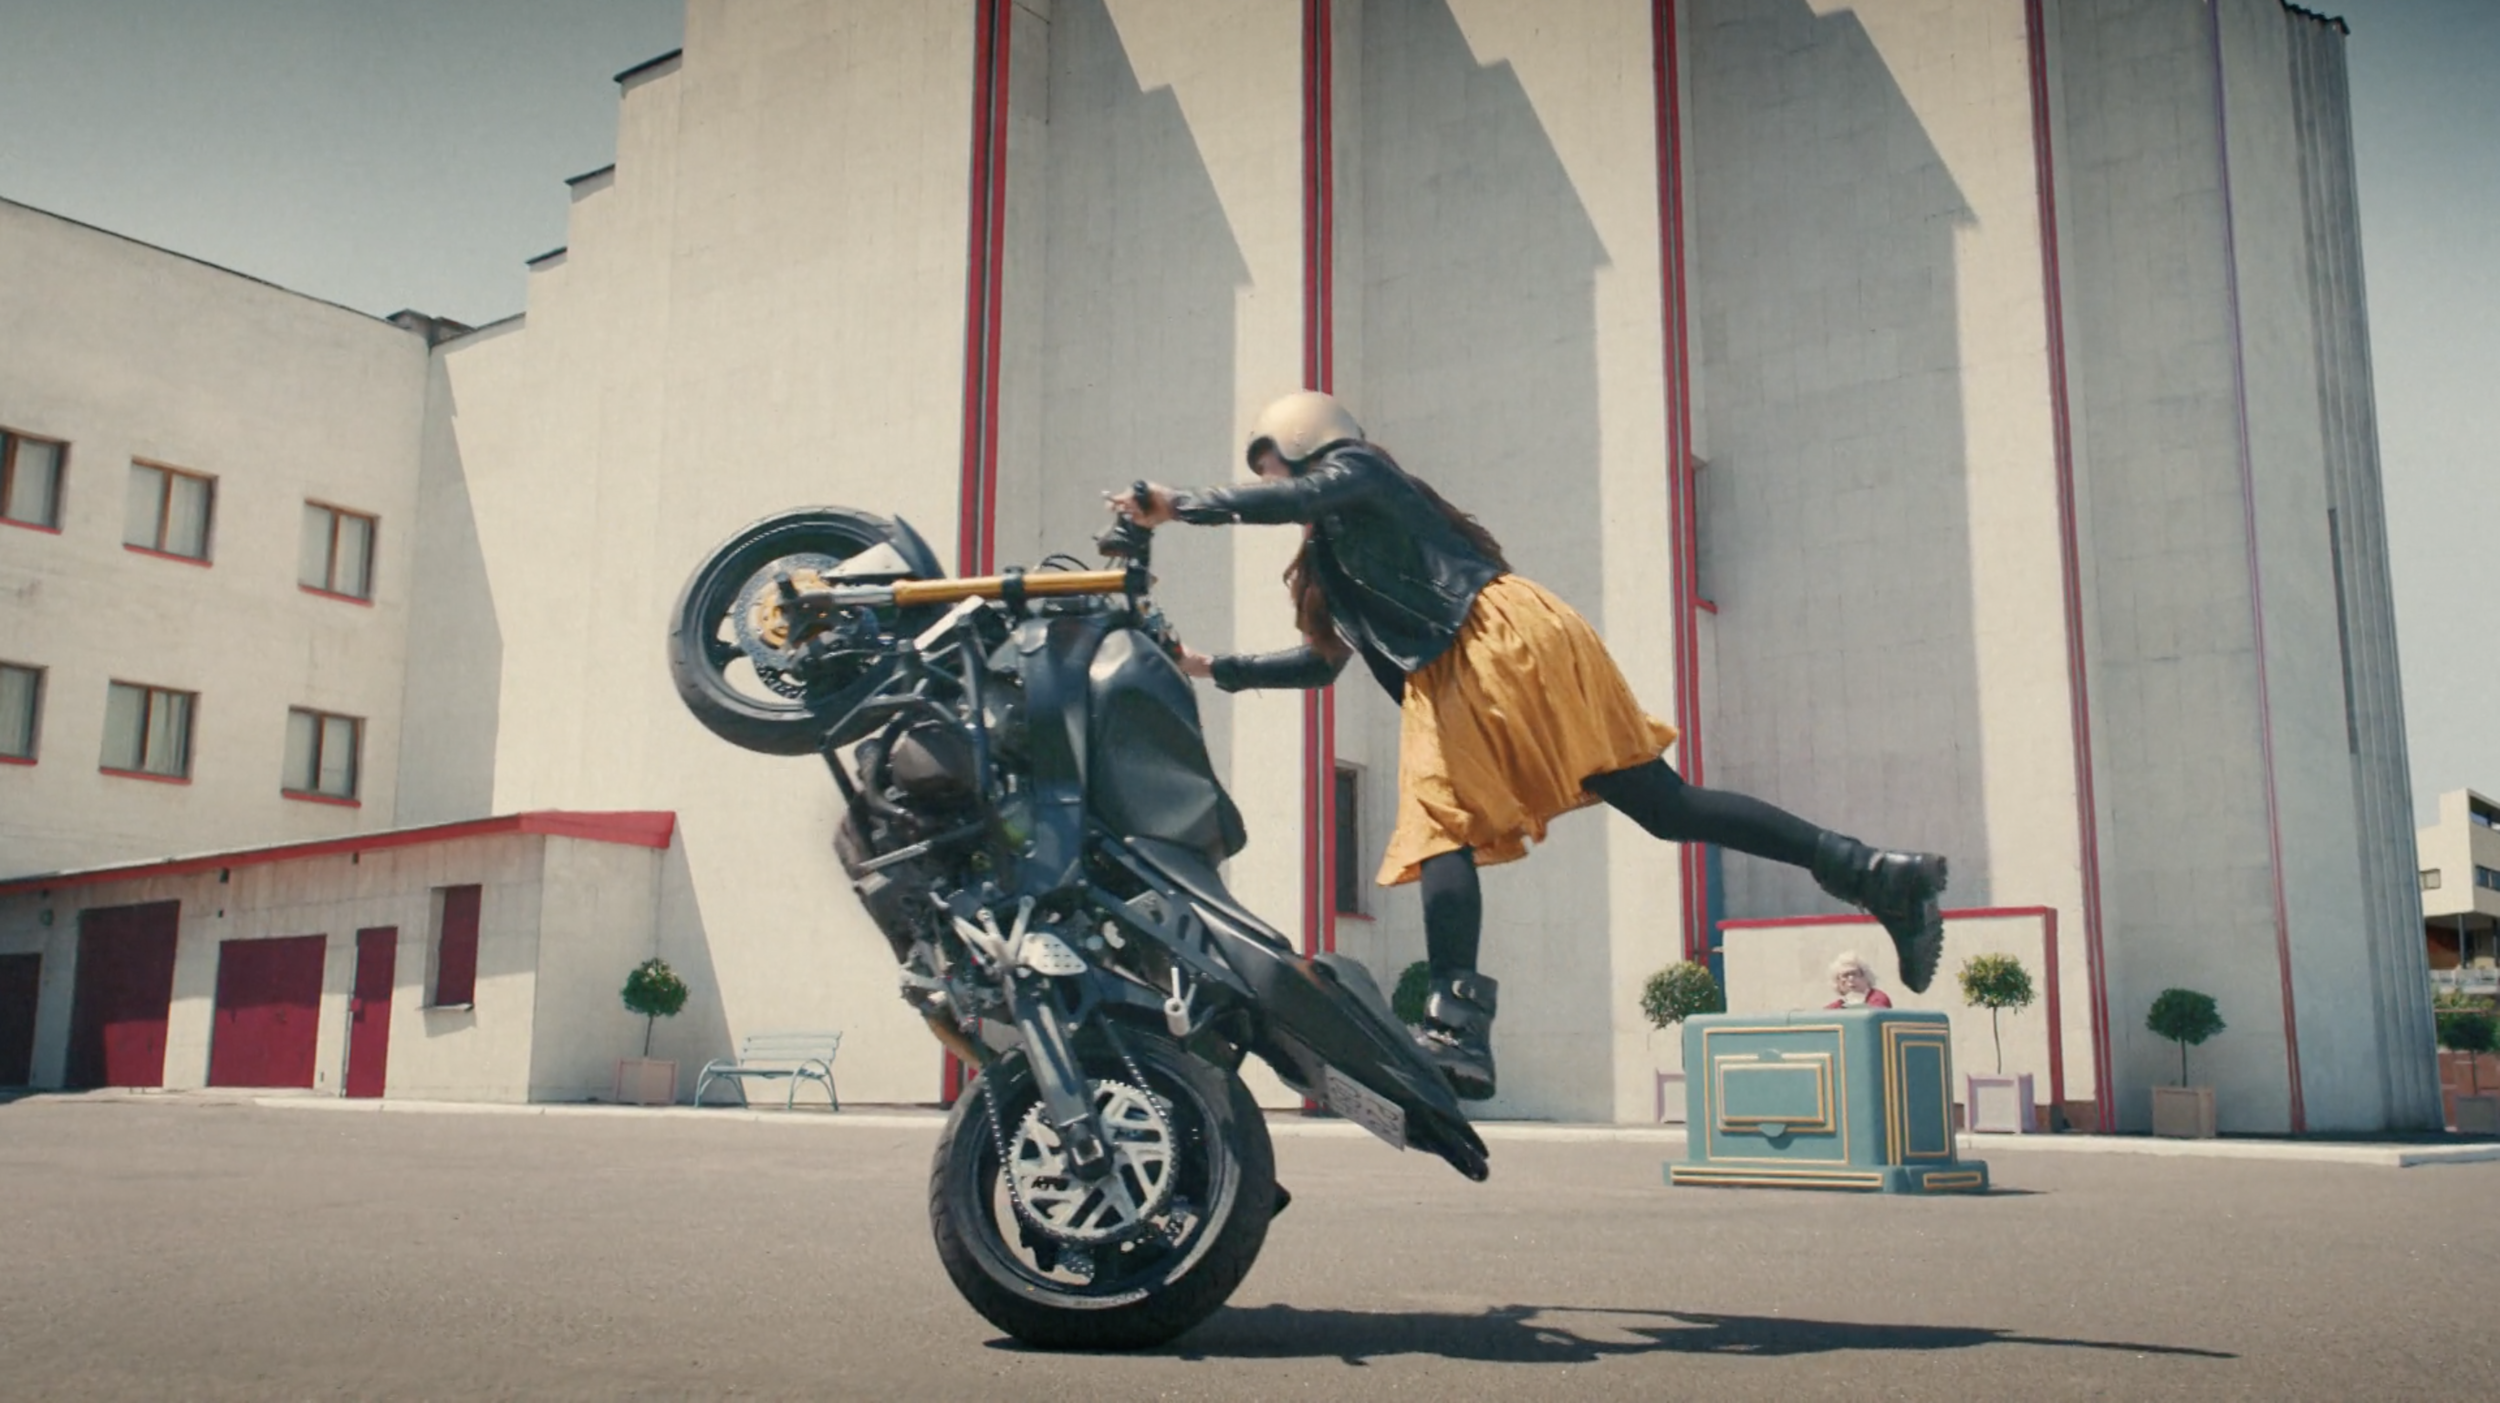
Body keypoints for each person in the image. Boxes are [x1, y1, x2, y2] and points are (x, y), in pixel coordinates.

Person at [1112, 390, 1946, 1100]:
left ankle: (1457, 1030)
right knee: (1664, 806)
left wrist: (1179, 504)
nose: (1279, 491)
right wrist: (1207, 667)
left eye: (1276, 470)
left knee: (1441, 825)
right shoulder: (1334, 557)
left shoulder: (1362, 473)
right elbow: (1321, 663)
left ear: (1307, 445)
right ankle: (1872, 871)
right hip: (1500, 647)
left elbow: (1301, 498)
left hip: (1485, 642)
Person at [1825, 951, 1894, 1009]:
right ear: (1838, 982)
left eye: (1854, 974)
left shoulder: (1877, 998)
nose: (1851, 978)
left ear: (1865, 976)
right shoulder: (1837, 1006)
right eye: (1845, 975)